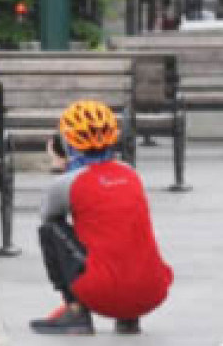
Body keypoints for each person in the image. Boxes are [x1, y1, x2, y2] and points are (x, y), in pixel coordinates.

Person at [30, 100, 173, 335]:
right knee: (123, 230)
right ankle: (129, 318)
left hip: (103, 292)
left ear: (66, 143)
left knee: (50, 229)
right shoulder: (130, 173)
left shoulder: (67, 183)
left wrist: (59, 166)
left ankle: (75, 312)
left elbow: (47, 214)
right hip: (152, 291)